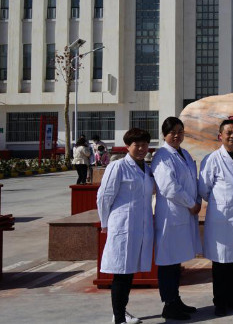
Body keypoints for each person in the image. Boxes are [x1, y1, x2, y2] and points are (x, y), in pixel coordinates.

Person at [96, 128, 154, 324]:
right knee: (121, 272)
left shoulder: (146, 168)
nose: (140, 148)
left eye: (144, 145)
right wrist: (105, 222)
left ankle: (120, 312)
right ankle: (119, 317)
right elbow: (104, 197)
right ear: (128, 146)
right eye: (136, 145)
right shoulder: (118, 166)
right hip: (122, 225)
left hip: (139, 226)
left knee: (128, 272)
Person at [198, 119, 233, 317]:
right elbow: (204, 190)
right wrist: (223, 200)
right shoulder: (212, 159)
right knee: (221, 264)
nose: (232, 136)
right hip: (221, 219)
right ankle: (220, 302)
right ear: (220, 136)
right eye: (228, 133)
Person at [150, 117, 201, 320]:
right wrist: (191, 203)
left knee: (175, 261)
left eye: (180, 131)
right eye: (173, 132)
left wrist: (195, 199)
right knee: (167, 262)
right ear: (165, 134)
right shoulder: (161, 156)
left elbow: (192, 180)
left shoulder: (184, 153)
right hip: (171, 216)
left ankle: (176, 299)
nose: (177, 135)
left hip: (183, 214)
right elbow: (169, 187)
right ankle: (168, 304)